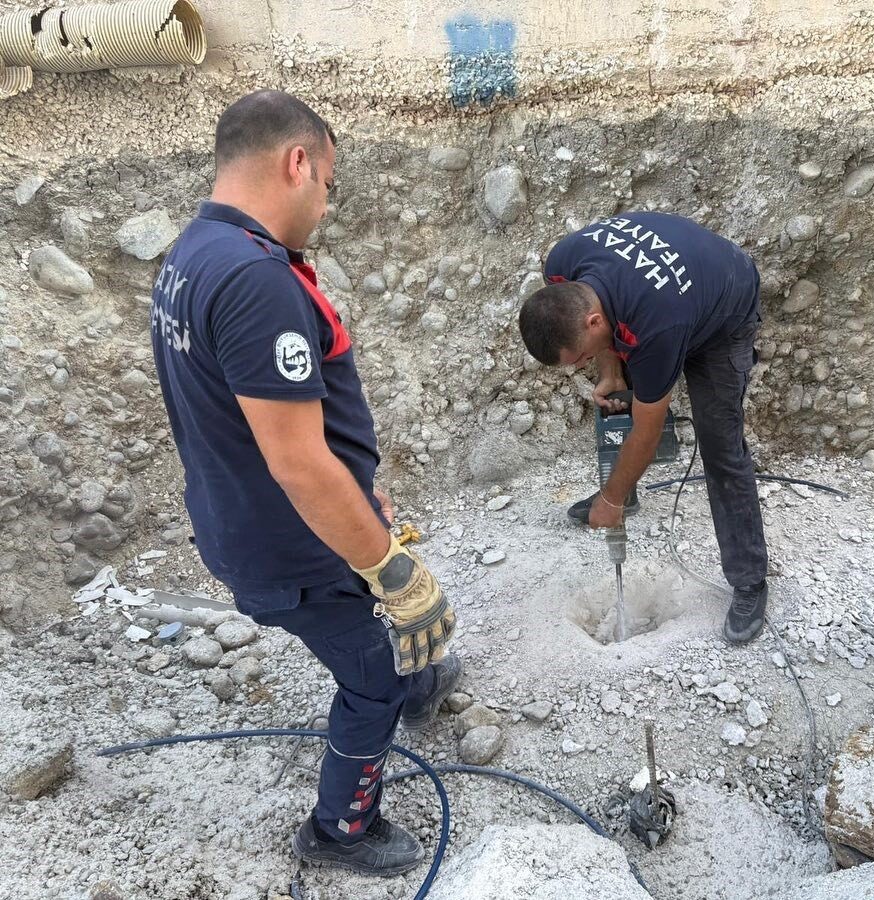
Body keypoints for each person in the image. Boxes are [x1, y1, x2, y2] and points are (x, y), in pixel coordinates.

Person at [150, 90, 460, 875]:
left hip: (251, 519)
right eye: (327, 182)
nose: (325, 203)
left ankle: (419, 687)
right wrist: (392, 570)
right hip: (293, 543)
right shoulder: (255, 282)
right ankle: (340, 831)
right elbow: (298, 462)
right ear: (298, 162)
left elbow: (266, 428)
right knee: (369, 678)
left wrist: (360, 496)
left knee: (381, 637)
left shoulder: (193, 254)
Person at [519, 212, 771, 643]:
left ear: (594, 323)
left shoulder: (655, 324)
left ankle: (750, 583)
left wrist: (608, 498)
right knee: (623, 395)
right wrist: (610, 369)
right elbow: (605, 330)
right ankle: (625, 491)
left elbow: (647, 430)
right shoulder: (563, 264)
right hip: (670, 300)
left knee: (721, 447)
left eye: (579, 358)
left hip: (724, 307)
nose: (579, 366)